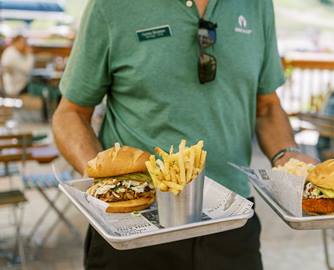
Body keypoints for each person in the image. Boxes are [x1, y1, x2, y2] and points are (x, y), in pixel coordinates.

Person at [52, 1, 316, 270]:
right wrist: (108, 184)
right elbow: (70, 113)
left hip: (232, 222)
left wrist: (288, 156)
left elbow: (267, 107)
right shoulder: (110, 6)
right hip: (134, 227)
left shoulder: (257, 5)